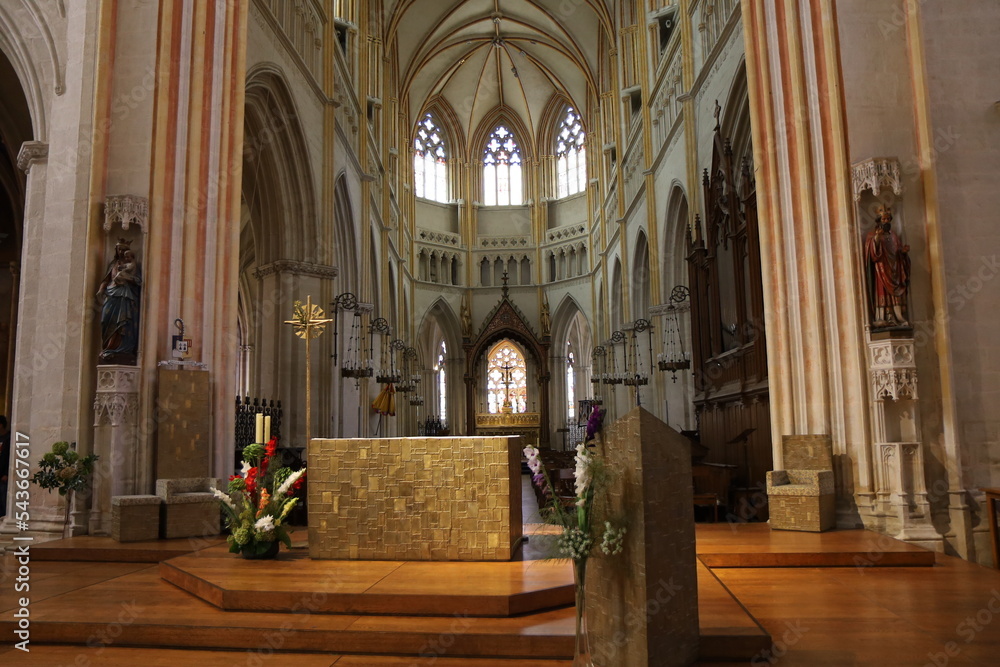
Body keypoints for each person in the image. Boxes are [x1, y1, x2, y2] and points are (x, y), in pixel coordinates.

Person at [97, 239, 143, 363]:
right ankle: (108, 348)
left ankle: (123, 349)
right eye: (119, 249)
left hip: (126, 296)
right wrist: (101, 290)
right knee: (105, 320)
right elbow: (106, 280)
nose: (121, 252)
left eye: (124, 250)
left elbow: (138, 281)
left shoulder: (133, 265)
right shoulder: (113, 264)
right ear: (116, 250)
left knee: (125, 322)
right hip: (111, 295)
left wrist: (127, 278)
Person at [864, 206, 910, 327]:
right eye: (884, 219)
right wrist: (877, 238)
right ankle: (882, 317)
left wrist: (903, 252)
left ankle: (898, 317)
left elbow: (897, 250)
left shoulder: (894, 236)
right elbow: (873, 255)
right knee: (882, 292)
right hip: (881, 270)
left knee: (896, 293)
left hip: (895, 269)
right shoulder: (872, 235)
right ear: (879, 220)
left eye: (888, 219)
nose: (886, 221)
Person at [0, 416, 10, 518]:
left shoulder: (9, 438)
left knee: (3, 499)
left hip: (4, 475)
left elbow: (11, 457)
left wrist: (6, 473)